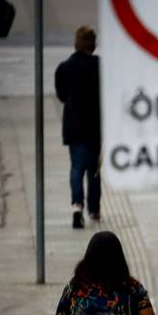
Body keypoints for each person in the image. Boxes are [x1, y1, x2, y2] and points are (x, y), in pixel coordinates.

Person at [54, 26, 101, 230]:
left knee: (76, 167)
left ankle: (77, 205)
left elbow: (62, 96)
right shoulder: (99, 67)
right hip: (94, 126)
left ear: (76, 44)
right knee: (94, 169)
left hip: (73, 126)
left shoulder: (64, 67)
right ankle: (94, 209)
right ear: (93, 44)